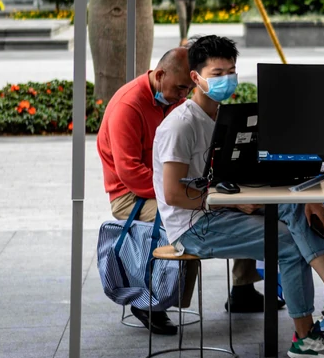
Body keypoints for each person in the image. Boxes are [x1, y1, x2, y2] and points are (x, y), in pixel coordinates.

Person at [153, 35, 324, 358]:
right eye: (218, 73)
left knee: (298, 212)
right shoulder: (180, 126)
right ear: (196, 78)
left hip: (220, 212)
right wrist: (234, 203)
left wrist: (306, 198)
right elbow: (173, 195)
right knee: (291, 245)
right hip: (194, 227)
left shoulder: (222, 117)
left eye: (232, 71)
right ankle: (315, 324)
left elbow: (243, 174)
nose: (227, 79)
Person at [97, 47, 270, 335]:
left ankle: (243, 286)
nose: (183, 96)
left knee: (239, 201)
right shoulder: (128, 107)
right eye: (180, 89)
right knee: (185, 218)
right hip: (133, 195)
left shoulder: (173, 99)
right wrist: (180, 193)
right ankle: (152, 302)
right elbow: (130, 173)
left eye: (188, 89)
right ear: (160, 74)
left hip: (176, 184)